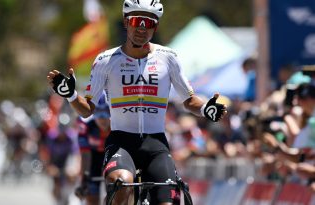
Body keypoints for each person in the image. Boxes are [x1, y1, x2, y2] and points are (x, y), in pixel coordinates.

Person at [47, 0, 227, 204]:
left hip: (156, 144)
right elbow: (87, 110)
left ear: (155, 27)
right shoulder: (106, 61)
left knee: (169, 201)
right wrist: (71, 95)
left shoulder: (168, 58)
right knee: (122, 185)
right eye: (136, 20)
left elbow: (189, 99)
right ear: (126, 22)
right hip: (121, 143)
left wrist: (205, 108)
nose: (141, 27)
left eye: (148, 23)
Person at [75, 95, 111, 205]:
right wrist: (83, 179)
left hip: (112, 156)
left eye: (106, 112)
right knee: (91, 195)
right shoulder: (85, 124)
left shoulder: (119, 123)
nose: (102, 118)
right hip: (93, 157)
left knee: (114, 194)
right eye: (98, 113)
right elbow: (85, 154)